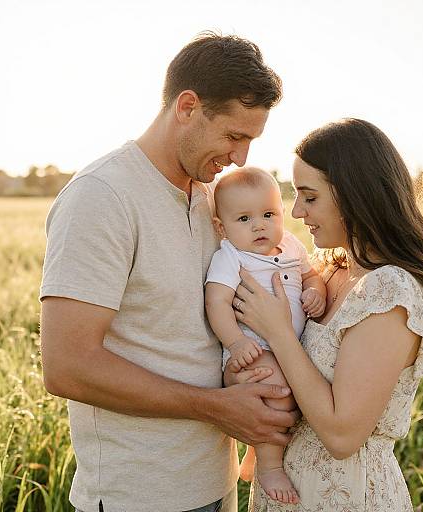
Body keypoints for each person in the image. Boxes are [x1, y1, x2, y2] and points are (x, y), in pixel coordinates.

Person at [39, 32, 300, 512]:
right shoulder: (101, 197)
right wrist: (215, 408)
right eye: (233, 135)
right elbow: (67, 366)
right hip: (137, 496)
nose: (240, 157)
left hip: (216, 486)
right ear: (187, 107)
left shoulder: (210, 198)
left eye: (250, 140)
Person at [226, 119, 423, 510]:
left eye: (309, 197)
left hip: (347, 496)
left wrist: (278, 332)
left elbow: (341, 437)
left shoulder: (389, 292)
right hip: (283, 492)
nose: (296, 212)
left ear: (355, 196)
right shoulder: (327, 269)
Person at [205, 167, 326, 504]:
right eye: (244, 219)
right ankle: (270, 467)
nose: (259, 225)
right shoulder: (230, 256)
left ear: (281, 213)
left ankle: (256, 453)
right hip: (252, 347)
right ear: (221, 227)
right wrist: (235, 342)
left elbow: (312, 274)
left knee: (296, 390)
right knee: (276, 388)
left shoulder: (290, 244)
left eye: (268, 214)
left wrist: (315, 290)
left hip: (289, 344)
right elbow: (217, 301)